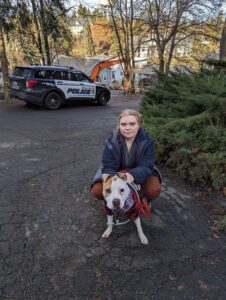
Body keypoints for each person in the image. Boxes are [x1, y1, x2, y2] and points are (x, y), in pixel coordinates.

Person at [91, 109, 162, 201]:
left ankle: (139, 199)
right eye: (123, 124)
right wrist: (113, 178)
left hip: (139, 173)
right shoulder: (111, 141)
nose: (127, 128)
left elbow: (147, 165)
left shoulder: (147, 141)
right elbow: (108, 164)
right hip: (116, 173)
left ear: (139, 125)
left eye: (132, 124)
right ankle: (111, 200)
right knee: (97, 190)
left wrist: (133, 175)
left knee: (153, 189)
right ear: (119, 125)